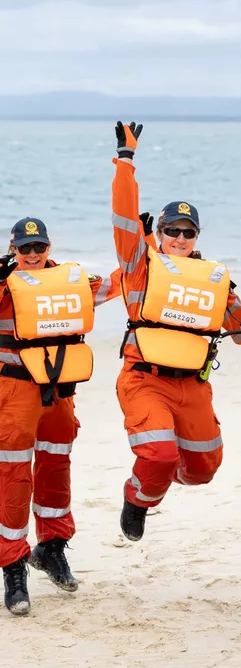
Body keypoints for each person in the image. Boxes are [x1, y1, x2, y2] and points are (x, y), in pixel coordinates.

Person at [111, 121, 241, 543]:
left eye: (188, 232)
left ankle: (159, 477)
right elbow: (124, 218)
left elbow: (238, 316)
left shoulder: (210, 277)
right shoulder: (139, 266)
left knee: (203, 470)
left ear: (196, 236)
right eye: (171, 231)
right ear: (158, 233)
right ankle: (138, 498)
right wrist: (126, 161)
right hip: (144, 379)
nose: (180, 238)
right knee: (159, 454)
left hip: (193, 386)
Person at [0, 217, 120, 614]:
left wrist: (148, 252)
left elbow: (120, 284)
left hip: (57, 391)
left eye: (39, 247)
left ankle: (51, 549)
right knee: (13, 477)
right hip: (13, 390)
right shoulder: (4, 281)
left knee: (56, 467)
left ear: (48, 247)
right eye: (24, 248)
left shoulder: (72, 281)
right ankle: (13, 567)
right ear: (13, 248)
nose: (32, 255)